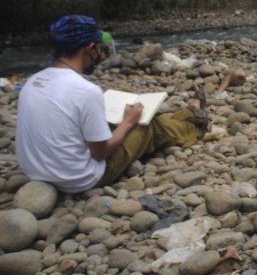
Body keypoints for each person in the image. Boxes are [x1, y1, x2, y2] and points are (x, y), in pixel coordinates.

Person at [16, 15, 208, 193]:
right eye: (100, 49)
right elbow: (101, 153)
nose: (100, 55)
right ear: (90, 48)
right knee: (147, 125)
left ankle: (187, 113)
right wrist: (127, 123)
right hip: (78, 178)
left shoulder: (33, 81)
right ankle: (194, 126)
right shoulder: (85, 90)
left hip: (36, 172)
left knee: (136, 119)